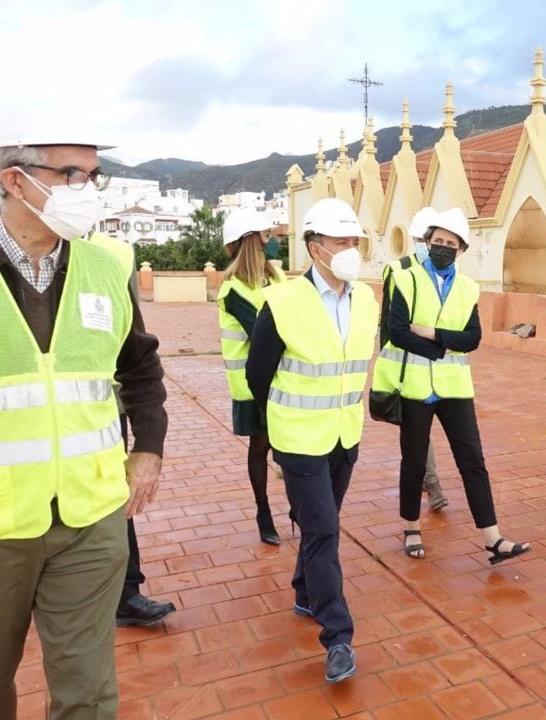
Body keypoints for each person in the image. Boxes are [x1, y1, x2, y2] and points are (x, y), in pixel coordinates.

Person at [0, 84, 168, 718]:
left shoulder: (107, 264)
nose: (88, 189)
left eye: (94, 175)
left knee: (89, 693)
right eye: (71, 173)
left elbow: (140, 367)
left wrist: (148, 451)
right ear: (16, 180)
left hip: (92, 520)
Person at [245, 197, 378, 685]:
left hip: (345, 433)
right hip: (299, 438)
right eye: (341, 242)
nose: (350, 250)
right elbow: (260, 376)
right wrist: (282, 424)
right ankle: (337, 635)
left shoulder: (365, 298)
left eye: (355, 242)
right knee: (323, 530)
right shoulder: (280, 302)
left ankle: (304, 589)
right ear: (315, 247)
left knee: (324, 522)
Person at [374, 207, 531, 564]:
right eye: (437, 241)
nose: (443, 247)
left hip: (455, 389)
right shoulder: (405, 278)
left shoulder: (467, 288)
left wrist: (433, 335)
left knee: (473, 461)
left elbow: (472, 338)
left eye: (451, 243)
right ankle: (411, 528)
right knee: (413, 462)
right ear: (427, 243)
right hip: (414, 387)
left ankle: (493, 539)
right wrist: (446, 344)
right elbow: (396, 332)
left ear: (461, 249)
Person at [84, 233, 177, 626]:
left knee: (118, 497)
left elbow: (133, 347)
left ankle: (126, 593)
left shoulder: (115, 255)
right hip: (20, 433)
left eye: (89, 176)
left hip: (105, 409)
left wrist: (149, 441)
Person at [218, 207, 287, 545]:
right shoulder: (233, 289)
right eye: (266, 235)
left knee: (288, 444)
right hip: (253, 384)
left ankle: (297, 507)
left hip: (285, 379)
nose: (272, 240)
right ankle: (264, 513)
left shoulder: (278, 277)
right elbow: (263, 331)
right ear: (251, 240)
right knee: (260, 447)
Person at [379, 206, 448, 512]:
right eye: (422, 238)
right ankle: (430, 483)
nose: (426, 244)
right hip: (407, 363)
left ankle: (428, 482)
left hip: (440, 364)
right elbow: (388, 322)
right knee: (416, 431)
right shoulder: (396, 270)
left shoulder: (448, 273)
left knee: (422, 430)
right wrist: (387, 366)